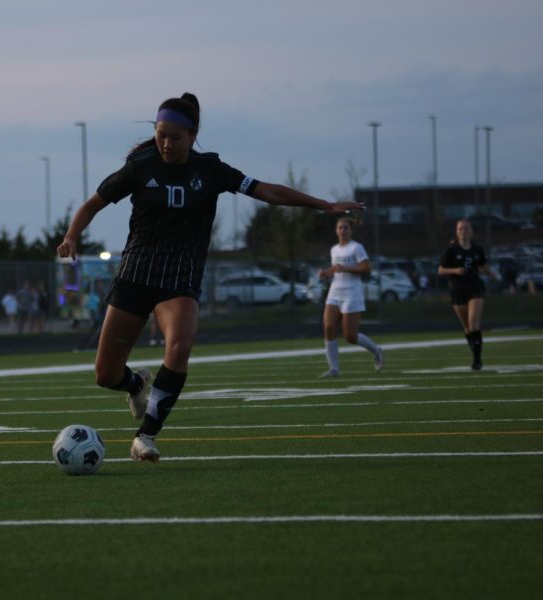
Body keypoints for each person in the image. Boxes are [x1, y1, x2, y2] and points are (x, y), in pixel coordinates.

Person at [56, 92, 363, 462]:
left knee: (180, 347)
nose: (166, 143)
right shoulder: (140, 166)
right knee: (105, 374)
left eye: (175, 137)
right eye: (160, 134)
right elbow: (93, 204)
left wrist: (324, 205)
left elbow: (266, 190)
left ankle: (145, 437)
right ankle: (136, 384)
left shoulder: (211, 170)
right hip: (135, 276)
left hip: (179, 281)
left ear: (193, 134)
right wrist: (72, 235)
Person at [317, 217, 384, 377]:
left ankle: (376, 350)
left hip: (351, 292)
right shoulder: (334, 249)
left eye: (345, 227)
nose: (342, 230)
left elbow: (367, 268)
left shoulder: (356, 248)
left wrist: (347, 268)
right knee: (328, 328)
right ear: (336, 230)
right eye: (340, 227)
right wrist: (326, 273)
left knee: (350, 336)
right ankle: (334, 369)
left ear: (351, 230)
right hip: (335, 291)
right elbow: (336, 268)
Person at [437, 218, 497, 370]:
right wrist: (455, 270)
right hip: (457, 290)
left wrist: (491, 273)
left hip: (475, 288)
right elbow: (441, 270)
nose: (464, 231)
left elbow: (482, 265)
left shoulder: (477, 250)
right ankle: (475, 352)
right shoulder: (451, 250)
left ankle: (477, 360)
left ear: (471, 232)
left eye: (467, 228)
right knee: (467, 328)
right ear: (457, 232)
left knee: (474, 324)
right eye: (461, 229)